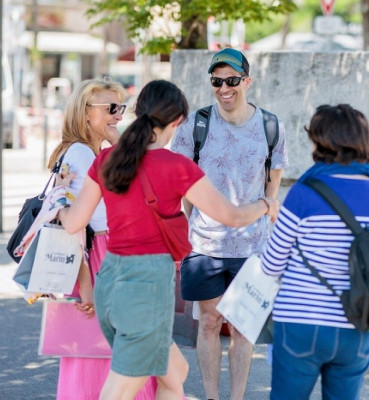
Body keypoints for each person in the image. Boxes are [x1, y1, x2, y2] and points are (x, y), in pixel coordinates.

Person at [58, 79, 279, 400]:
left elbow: (73, 222)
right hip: (145, 288)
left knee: (175, 374)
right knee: (118, 391)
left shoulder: (108, 160)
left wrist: (61, 201)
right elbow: (230, 216)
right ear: (177, 121)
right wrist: (266, 204)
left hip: (109, 281)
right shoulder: (175, 166)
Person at [170, 48, 288, 400]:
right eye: (217, 81)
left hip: (253, 246)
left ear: (246, 81)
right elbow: (183, 183)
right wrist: (193, 227)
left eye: (232, 80)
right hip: (205, 246)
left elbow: (272, 183)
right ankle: (211, 396)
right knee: (207, 322)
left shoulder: (270, 125)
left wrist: (262, 220)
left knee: (242, 327)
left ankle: (236, 397)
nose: (225, 88)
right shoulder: (196, 125)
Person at [260, 104, 369, 399]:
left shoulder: (304, 193)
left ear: (322, 142)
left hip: (300, 321)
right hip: (357, 323)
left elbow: (271, 264)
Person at [47, 78, 157, 400]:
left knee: (98, 350)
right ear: (85, 113)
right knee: (104, 351)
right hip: (97, 257)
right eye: (110, 108)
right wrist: (85, 285)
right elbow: (73, 226)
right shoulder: (81, 155)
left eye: (120, 108)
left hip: (103, 255)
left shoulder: (94, 152)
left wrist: (115, 140)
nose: (117, 115)